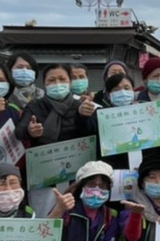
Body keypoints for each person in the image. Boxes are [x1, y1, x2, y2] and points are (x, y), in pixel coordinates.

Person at [16, 63, 99, 217]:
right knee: (44, 221)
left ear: (69, 82)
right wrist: (29, 131)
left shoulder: (81, 105)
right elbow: (19, 131)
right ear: (45, 84)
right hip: (44, 180)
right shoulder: (35, 106)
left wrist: (82, 117)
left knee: (74, 221)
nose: (57, 84)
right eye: (51, 80)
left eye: (62, 79)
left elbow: (92, 135)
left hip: (76, 178)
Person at [2, 53, 41, 127]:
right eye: (19, 67)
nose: (24, 71)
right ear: (9, 70)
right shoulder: (4, 95)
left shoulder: (42, 96)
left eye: (29, 68)